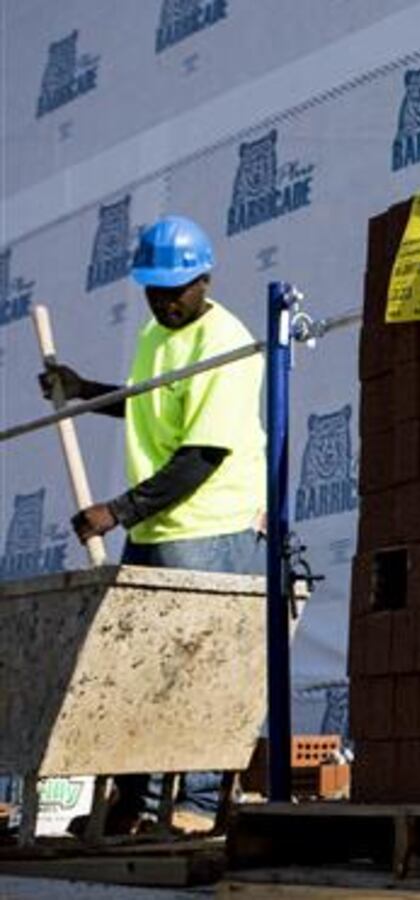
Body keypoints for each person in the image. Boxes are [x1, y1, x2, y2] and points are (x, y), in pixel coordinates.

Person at [38, 214, 265, 832]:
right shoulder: (153, 336)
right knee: (135, 666)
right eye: (154, 290)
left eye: (176, 289)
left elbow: (201, 456)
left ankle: (193, 803)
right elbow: (148, 405)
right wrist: (85, 390)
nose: (164, 301)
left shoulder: (224, 341)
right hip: (157, 527)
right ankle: (134, 805)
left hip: (209, 527)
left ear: (204, 280)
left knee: (196, 667)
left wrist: (116, 510)